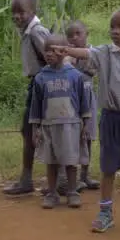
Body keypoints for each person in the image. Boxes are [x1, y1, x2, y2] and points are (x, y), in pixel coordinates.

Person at [52, 8, 120, 235]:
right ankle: (105, 213)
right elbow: (86, 52)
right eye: (112, 27)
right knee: (108, 166)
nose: (115, 31)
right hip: (112, 118)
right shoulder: (105, 53)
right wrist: (67, 49)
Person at [29, 34, 93, 209]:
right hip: (49, 126)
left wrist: (85, 124)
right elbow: (36, 105)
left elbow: (83, 102)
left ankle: (72, 192)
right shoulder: (41, 77)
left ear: (64, 52)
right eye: (46, 50)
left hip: (71, 126)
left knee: (71, 160)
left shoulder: (75, 76)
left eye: (53, 50)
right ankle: (52, 193)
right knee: (52, 162)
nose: (48, 54)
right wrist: (36, 127)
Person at [4, 0, 53, 197]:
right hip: (37, 84)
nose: (17, 16)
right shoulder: (26, 31)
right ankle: (28, 179)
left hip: (44, 85)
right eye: (13, 12)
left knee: (40, 130)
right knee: (29, 131)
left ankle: (46, 180)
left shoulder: (36, 32)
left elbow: (53, 57)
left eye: (21, 12)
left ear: (33, 10)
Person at [63, 20, 101, 191]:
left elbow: (92, 70)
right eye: (70, 35)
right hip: (71, 102)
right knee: (72, 137)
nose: (75, 38)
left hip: (88, 98)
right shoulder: (67, 57)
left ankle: (86, 175)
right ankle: (73, 177)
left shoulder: (93, 52)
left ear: (87, 34)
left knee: (88, 136)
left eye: (78, 34)